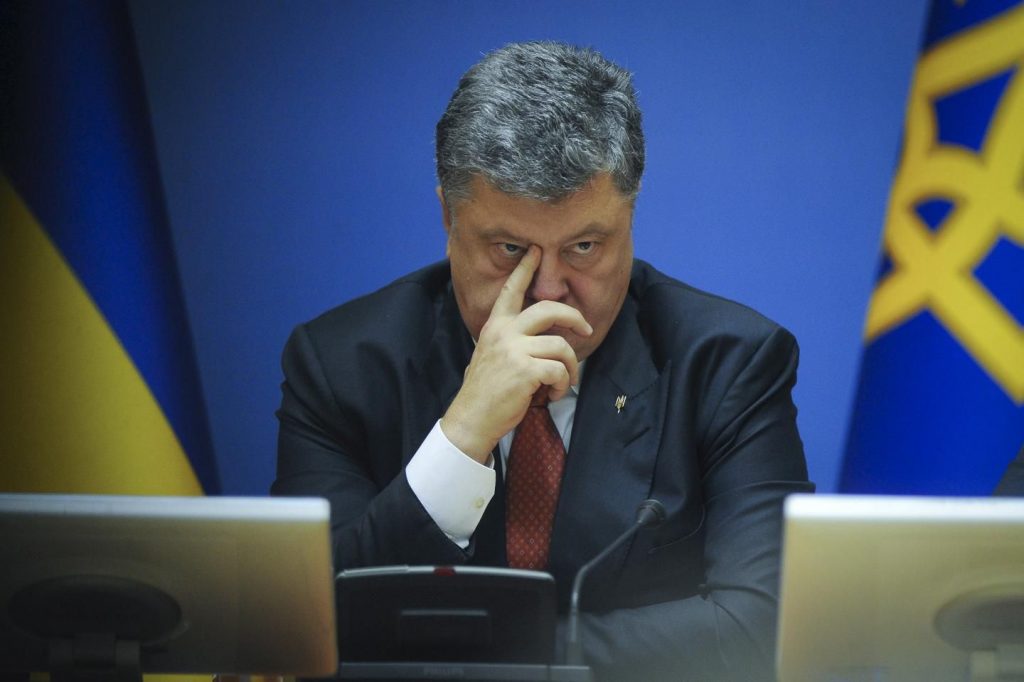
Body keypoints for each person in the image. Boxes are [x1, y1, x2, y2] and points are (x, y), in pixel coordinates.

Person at [273, 41, 813, 681]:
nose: (548, 290)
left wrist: (493, 655)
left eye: (584, 246)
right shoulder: (342, 366)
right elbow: (307, 629)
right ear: (447, 216)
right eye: (510, 249)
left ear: (630, 215)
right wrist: (462, 435)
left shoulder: (727, 364)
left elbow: (764, 630)